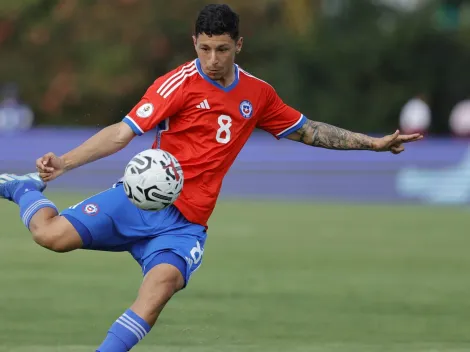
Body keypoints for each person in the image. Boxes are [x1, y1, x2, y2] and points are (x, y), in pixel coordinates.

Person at [0, 4, 423, 352]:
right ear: (194, 44)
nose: (213, 60)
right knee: (49, 237)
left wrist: (371, 143)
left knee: (159, 290)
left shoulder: (258, 94)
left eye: (223, 49)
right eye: (205, 49)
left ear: (238, 44)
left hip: (185, 225)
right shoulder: (176, 84)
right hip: (137, 201)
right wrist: (66, 164)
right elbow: (121, 132)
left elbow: (307, 130)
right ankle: (23, 188)